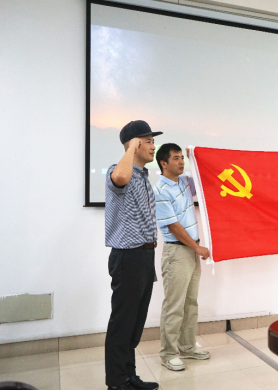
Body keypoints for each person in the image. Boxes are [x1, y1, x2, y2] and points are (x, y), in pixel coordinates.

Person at [105, 120, 162, 390]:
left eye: (153, 141)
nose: (153, 146)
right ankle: (117, 382)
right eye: (148, 141)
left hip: (144, 257)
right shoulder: (117, 171)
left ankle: (129, 376)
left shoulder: (143, 176)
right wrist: (129, 149)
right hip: (127, 256)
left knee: (135, 323)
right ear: (135, 143)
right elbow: (119, 178)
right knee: (123, 322)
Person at [153, 143, 211, 371]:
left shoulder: (184, 182)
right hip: (177, 253)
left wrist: (194, 158)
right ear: (163, 163)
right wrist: (197, 248)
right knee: (174, 305)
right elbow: (173, 226)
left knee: (190, 302)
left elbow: (206, 180)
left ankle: (187, 347)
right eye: (176, 158)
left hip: (191, 251)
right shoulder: (160, 191)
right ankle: (168, 354)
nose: (180, 162)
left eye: (181, 158)